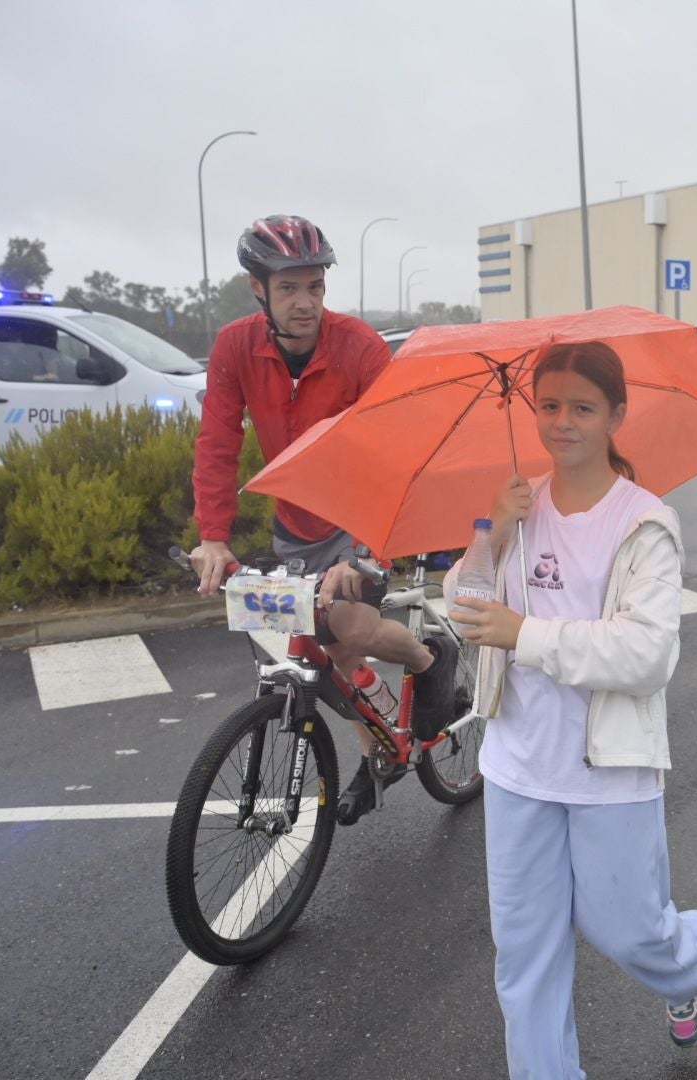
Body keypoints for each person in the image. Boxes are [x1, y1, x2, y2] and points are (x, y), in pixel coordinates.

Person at [448, 341, 697, 1076]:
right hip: (517, 766)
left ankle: (690, 968)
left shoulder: (645, 524)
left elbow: (645, 656)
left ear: (616, 416)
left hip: (609, 771)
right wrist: (491, 534)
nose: (562, 421)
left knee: (629, 931)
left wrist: (526, 634)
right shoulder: (519, 506)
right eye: (549, 405)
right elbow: (464, 608)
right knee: (526, 962)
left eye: (582, 407)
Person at [189, 215, 455, 825]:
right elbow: (217, 443)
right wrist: (212, 537)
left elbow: (391, 453)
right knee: (312, 649)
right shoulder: (234, 346)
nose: (305, 302)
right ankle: (382, 750)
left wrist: (360, 548)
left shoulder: (358, 346)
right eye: (289, 288)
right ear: (258, 289)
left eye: (315, 286)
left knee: (352, 628)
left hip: (361, 510)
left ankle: (426, 660)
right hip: (297, 518)